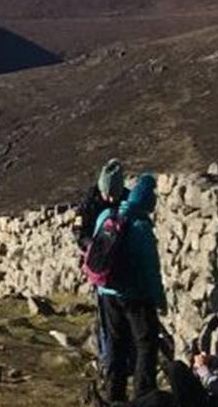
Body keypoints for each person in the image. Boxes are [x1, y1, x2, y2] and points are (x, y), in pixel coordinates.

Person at [95, 172, 166, 403]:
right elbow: (150, 270)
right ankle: (143, 395)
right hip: (135, 296)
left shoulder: (106, 216)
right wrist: (159, 300)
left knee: (115, 342)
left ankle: (113, 394)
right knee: (146, 343)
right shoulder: (141, 227)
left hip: (107, 292)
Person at [77, 159, 128, 391]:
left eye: (114, 194)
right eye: (107, 193)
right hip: (102, 271)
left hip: (126, 272)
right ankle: (109, 368)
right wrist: (95, 248)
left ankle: (121, 364)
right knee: (108, 323)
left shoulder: (126, 199)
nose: (110, 199)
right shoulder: (89, 203)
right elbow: (78, 232)